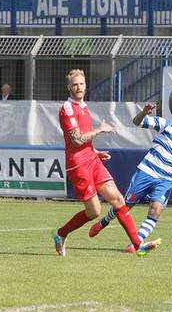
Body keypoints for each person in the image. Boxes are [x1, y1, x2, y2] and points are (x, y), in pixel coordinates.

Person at [52, 69, 161, 257]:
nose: (78, 87)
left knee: (118, 199)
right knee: (94, 211)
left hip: (91, 160)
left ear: (86, 85)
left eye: (82, 84)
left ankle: (137, 245)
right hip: (78, 165)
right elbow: (76, 140)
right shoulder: (67, 108)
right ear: (69, 87)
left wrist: (94, 152)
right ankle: (61, 234)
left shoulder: (84, 107)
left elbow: (81, 142)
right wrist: (100, 130)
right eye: (75, 84)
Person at [88, 102, 172, 253]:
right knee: (125, 205)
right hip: (146, 172)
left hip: (166, 180)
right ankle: (104, 221)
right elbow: (137, 122)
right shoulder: (165, 124)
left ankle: (136, 244)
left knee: (156, 210)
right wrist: (144, 112)